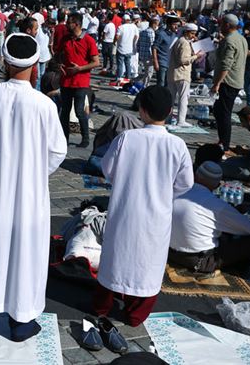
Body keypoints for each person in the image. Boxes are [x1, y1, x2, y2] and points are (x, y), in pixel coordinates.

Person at [0, 33, 68, 342]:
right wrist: (34, 173)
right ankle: (21, 322)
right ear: (36, 64)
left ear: (5, 62)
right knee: (25, 253)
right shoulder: (43, 104)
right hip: (27, 196)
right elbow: (58, 151)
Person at [94, 86, 193, 326]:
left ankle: (102, 307)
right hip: (156, 214)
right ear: (170, 112)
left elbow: (108, 170)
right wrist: (163, 194)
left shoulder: (126, 138)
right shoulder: (177, 144)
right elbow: (186, 183)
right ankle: (135, 314)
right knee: (147, 263)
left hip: (125, 208)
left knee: (116, 257)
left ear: (142, 111)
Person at [168, 162, 250, 274]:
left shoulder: (176, 192)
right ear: (217, 185)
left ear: (195, 176)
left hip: (168, 252)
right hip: (199, 261)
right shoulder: (217, 205)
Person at [53, 12, 99, 147]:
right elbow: (57, 55)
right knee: (65, 111)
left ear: (77, 24)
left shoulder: (88, 40)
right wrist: (59, 64)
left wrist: (80, 68)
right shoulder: (65, 39)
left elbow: (96, 62)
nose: (67, 24)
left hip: (81, 81)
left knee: (79, 110)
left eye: (69, 22)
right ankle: (64, 139)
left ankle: (85, 139)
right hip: (66, 80)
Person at [211, 13, 248, 154]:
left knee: (224, 113)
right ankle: (222, 140)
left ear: (227, 25)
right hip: (236, 80)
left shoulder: (229, 41)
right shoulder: (240, 38)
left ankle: (224, 144)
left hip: (228, 81)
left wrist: (217, 83)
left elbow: (226, 64)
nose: (220, 26)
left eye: (221, 24)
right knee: (219, 110)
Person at [167, 23, 203, 126]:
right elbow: (183, 60)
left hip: (173, 74)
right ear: (187, 32)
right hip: (182, 74)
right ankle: (181, 120)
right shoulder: (184, 43)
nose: (193, 36)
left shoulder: (180, 41)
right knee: (183, 98)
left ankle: (168, 118)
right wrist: (196, 56)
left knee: (171, 99)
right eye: (192, 33)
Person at [152, 13, 180, 87]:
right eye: (174, 24)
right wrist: (155, 61)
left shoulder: (175, 35)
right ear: (169, 24)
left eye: (177, 25)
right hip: (162, 62)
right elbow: (154, 47)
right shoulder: (161, 34)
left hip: (171, 63)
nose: (176, 26)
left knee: (168, 83)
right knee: (161, 83)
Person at [115, 14, 139, 81]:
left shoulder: (121, 27)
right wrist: (133, 43)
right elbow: (136, 36)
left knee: (120, 64)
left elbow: (117, 37)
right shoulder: (133, 27)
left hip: (121, 48)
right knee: (128, 64)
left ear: (123, 20)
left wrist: (115, 42)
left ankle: (119, 77)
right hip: (129, 48)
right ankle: (128, 77)